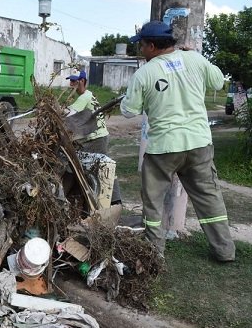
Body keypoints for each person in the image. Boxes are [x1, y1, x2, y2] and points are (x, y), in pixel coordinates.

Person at [120, 20, 235, 261]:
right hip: (199, 143)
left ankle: (154, 252)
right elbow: (217, 81)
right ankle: (224, 250)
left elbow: (129, 111)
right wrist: (196, 56)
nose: (140, 50)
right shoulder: (194, 59)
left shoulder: (144, 73)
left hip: (164, 148)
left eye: (141, 45)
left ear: (152, 46)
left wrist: (130, 98)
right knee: (209, 197)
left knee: (153, 200)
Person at [66, 70, 121, 205]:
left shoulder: (84, 97)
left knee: (97, 166)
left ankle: (114, 200)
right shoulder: (88, 95)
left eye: (74, 81)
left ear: (82, 81)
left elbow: (69, 113)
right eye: (70, 81)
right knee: (99, 166)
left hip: (96, 138)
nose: (71, 84)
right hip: (97, 137)